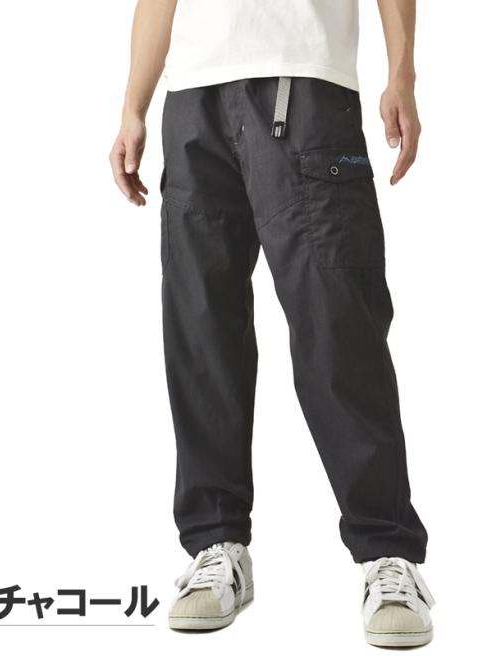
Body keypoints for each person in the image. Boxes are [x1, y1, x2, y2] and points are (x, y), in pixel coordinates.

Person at [109, 0, 435, 647]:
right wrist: (133, 105)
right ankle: (217, 544)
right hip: (192, 96)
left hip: (304, 80)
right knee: (201, 334)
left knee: (338, 327)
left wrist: (402, 73)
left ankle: (388, 552)